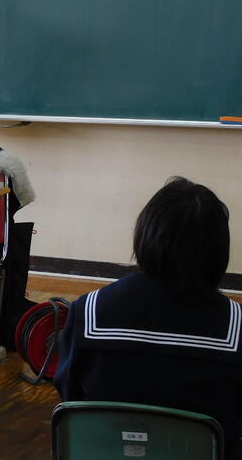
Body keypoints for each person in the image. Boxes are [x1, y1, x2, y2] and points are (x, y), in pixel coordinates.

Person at [54, 177, 242, 458]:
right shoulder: (235, 328)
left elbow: (71, 399)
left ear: (145, 234)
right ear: (218, 250)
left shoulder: (87, 312)